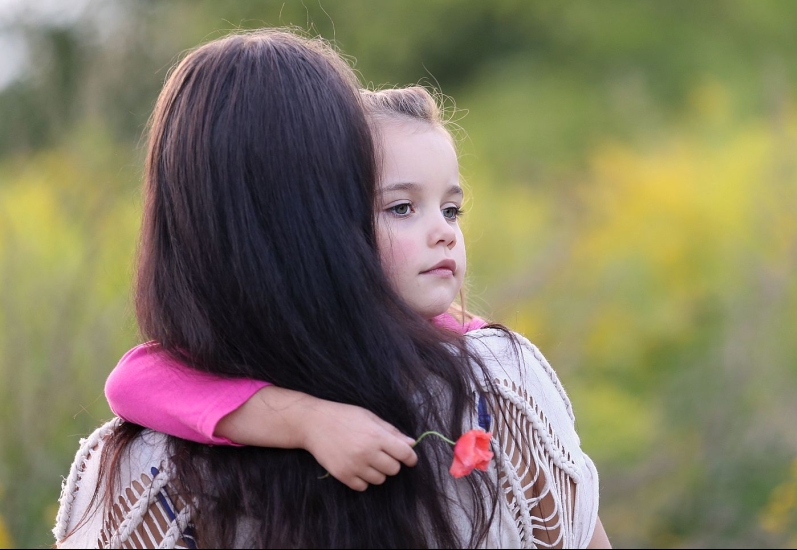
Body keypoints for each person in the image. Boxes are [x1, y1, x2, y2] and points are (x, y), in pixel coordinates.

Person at [52, 29, 607, 548]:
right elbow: (136, 378)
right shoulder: (495, 383)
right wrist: (307, 420)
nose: (444, 232)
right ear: (314, 218)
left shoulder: (138, 464)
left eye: (453, 209)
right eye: (398, 208)